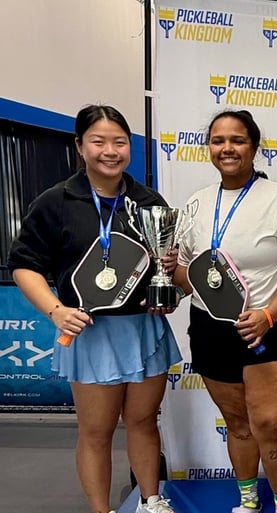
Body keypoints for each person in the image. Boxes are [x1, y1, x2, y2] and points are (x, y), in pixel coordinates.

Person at [8, 105, 181, 513]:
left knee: (144, 422)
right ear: (79, 146)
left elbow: (165, 267)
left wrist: (169, 274)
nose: (110, 151)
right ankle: (101, 510)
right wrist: (55, 310)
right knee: (97, 432)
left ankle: (151, 500)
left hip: (143, 329)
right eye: (99, 141)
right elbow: (24, 266)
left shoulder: (147, 201)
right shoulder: (56, 201)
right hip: (90, 333)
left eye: (119, 142)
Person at [174, 110, 277, 513]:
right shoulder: (197, 204)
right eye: (218, 140)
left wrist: (269, 315)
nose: (227, 148)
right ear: (209, 148)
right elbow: (187, 277)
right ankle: (248, 501)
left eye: (237, 140)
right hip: (211, 330)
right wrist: (172, 272)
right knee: (238, 423)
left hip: (269, 327)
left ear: (254, 147)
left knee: (271, 425)